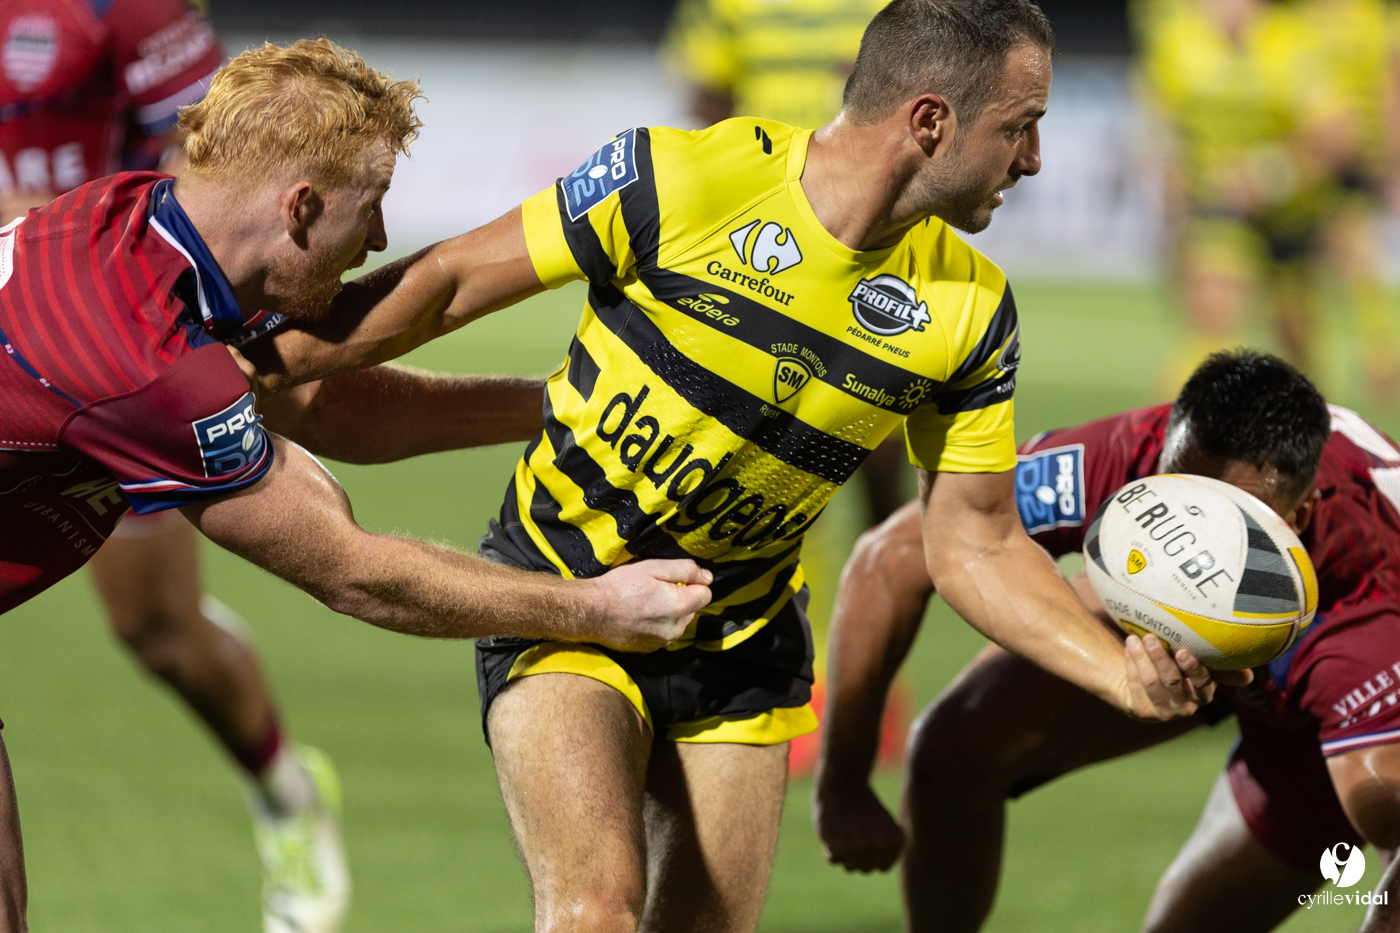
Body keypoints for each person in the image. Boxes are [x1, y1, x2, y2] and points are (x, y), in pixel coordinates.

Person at [283, 3, 1238, 930]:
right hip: (566, 584)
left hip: (740, 642)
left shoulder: (972, 312)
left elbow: (976, 542)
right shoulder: (679, 179)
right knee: (594, 912)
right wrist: (275, 359)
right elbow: (445, 285)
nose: (1035, 159)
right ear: (931, 122)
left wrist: (1121, 677)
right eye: (1021, 128)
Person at [0, 38, 714, 932]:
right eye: (369, 210)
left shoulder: (144, 228)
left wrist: (568, 408)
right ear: (300, 206)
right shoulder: (143, 365)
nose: (377, 240)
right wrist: (597, 610)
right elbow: (355, 571)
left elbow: (325, 407)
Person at [813, 350, 1400, 933]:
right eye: (1178, 499)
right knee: (951, 749)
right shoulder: (1133, 454)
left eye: (1230, 526)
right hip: (1224, 616)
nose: (1188, 541)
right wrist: (844, 780)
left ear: (1299, 518)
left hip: (1332, 672)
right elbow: (890, 558)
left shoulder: (1370, 603)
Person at [0, 1, 364, 925]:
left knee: (157, 627)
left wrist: (50, 235)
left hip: (99, 328)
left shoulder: (128, 10)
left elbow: (210, 163)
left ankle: (284, 790)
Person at [1135, 0, 1338, 393]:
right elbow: (1156, 119)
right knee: (1211, 319)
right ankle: (1168, 437)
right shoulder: (1179, 38)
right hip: (1216, 208)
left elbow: (1333, 141)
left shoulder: (1293, 43)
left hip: (1290, 214)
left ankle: (1310, 433)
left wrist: (1269, 176)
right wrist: (1167, 175)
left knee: (1296, 337)